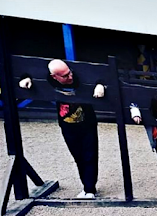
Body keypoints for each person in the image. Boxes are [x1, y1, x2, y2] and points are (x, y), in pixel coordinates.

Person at [18, 59, 105, 199]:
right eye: (64, 76)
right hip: (67, 126)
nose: (70, 77)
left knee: (90, 155)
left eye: (69, 73)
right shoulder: (49, 80)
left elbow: (101, 75)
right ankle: (87, 187)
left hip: (87, 124)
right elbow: (26, 71)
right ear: (54, 77)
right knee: (78, 157)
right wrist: (25, 78)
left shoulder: (77, 76)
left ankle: (89, 189)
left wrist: (101, 84)